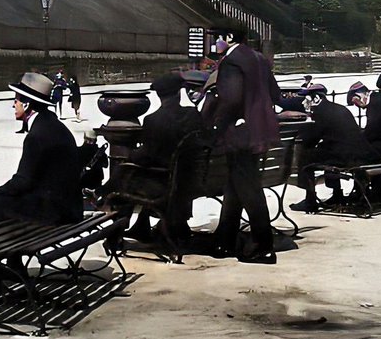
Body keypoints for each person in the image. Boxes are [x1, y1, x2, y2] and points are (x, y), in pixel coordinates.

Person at [206, 25, 281, 265]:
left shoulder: (231, 62)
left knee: (248, 188)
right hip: (259, 130)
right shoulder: (258, 58)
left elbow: (232, 98)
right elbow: (276, 94)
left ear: (228, 38)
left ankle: (263, 244)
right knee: (236, 185)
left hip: (239, 134)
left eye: (216, 38)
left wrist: (217, 122)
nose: (214, 43)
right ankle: (224, 239)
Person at [0, 73, 82, 230]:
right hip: (69, 207)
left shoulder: (37, 136)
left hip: (53, 213)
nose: (13, 105)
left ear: (27, 104)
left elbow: (22, 181)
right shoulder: (54, 126)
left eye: (16, 100)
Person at [108, 72, 203, 244]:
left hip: (166, 183)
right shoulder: (193, 115)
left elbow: (147, 156)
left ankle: (114, 234)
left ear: (159, 95)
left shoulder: (154, 119)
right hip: (190, 178)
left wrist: (130, 155)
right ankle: (142, 227)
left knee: (125, 178)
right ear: (178, 92)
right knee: (138, 175)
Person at [290, 84, 381, 213]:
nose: (304, 102)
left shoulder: (320, 112)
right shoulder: (339, 108)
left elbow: (310, 140)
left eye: (307, 98)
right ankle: (336, 194)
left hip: (348, 157)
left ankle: (310, 201)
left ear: (316, 98)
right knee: (324, 153)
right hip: (358, 153)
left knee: (306, 157)